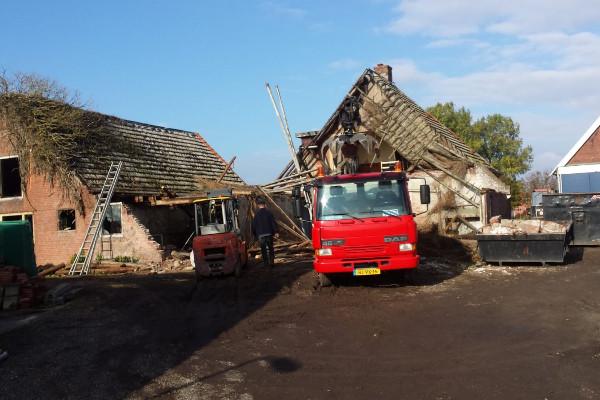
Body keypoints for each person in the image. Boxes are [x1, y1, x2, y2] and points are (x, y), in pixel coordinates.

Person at [252, 197, 277, 267]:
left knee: (263, 250)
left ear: (258, 205)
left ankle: (266, 263)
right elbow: (273, 223)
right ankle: (272, 262)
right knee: (270, 248)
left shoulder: (256, 215)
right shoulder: (269, 213)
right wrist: (276, 231)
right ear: (265, 204)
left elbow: (253, 226)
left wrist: (255, 235)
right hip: (269, 233)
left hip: (260, 235)